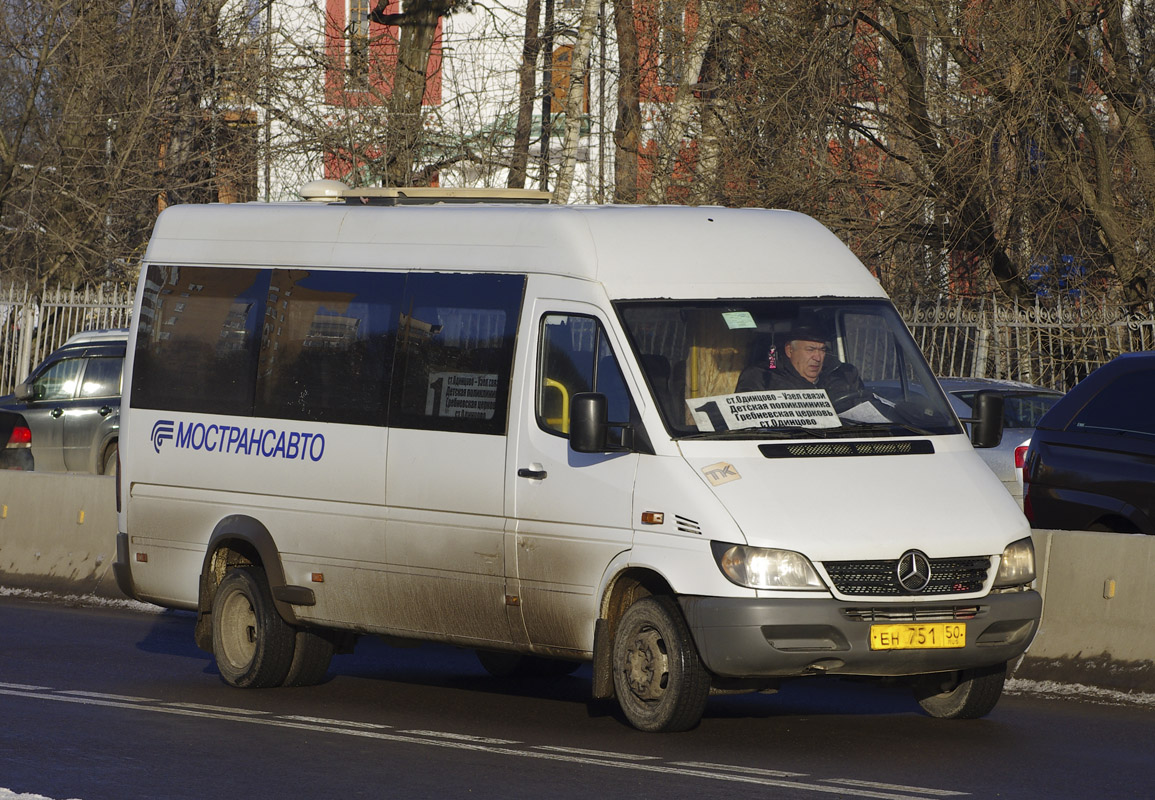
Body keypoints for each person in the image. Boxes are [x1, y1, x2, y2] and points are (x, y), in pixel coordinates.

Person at [735, 325, 866, 405]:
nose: (817, 357)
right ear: (789, 350)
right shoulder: (763, 378)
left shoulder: (846, 375)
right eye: (810, 349)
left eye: (822, 350)